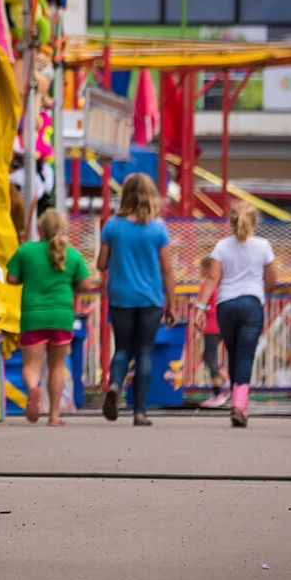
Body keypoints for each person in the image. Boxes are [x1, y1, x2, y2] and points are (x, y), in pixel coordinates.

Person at [95, 173, 175, 426]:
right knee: (145, 352)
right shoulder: (158, 228)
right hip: (151, 299)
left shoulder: (112, 225)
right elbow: (167, 269)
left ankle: (116, 385)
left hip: (121, 296)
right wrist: (171, 302)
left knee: (122, 348)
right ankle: (140, 412)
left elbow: (101, 263)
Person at [6, 209, 99, 426]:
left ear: (40, 229)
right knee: (57, 366)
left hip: (33, 315)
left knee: (31, 366)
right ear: (62, 229)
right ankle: (54, 416)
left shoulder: (26, 251)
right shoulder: (72, 254)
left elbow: (11, 278)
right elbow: (85, 285)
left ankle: (33, 389)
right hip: (62, 316)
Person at [202, 202, 277, 427]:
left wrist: (200, 308)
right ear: (254, 222)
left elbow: (213, 279)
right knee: (245, 355)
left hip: (225, 306)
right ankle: (240, 404)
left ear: (231, 222)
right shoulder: (263, 246)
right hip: (251, 303)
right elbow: (273, 280)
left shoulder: (221, 247)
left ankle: (238, 402)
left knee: (233, 354)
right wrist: (260, 290)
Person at [193, 257, 229, 408]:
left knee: (209, 357)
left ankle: (218, 391)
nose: (200, 271)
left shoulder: (209, 285)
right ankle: (224, 383)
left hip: (213, 326)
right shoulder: (216, 285)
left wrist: (199, 307)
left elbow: (212, 307)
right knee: (208, 356)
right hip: (217, 325)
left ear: (208, 269)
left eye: (201, 268)